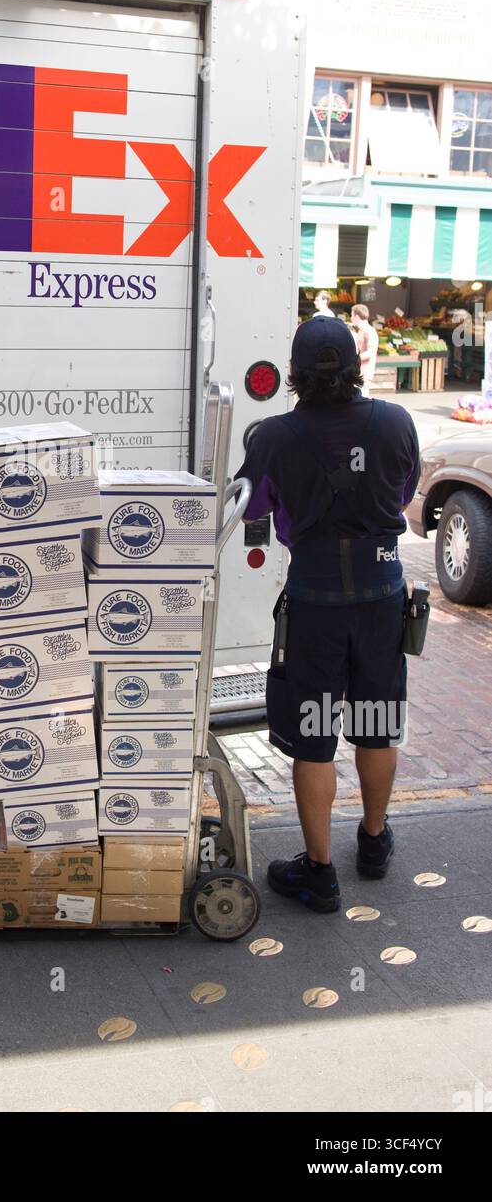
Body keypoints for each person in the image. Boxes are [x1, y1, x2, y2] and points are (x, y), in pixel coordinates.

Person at [235, 317, 420, 913]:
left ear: (294, 375)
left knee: (314, 738)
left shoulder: (273, 438)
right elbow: (403, 494)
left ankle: (320, 873)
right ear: (356, 364)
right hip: (382, 596)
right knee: (377, 720)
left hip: (316, 601)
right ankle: (372, 841)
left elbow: (249, 508)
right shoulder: (396, 423)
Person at [351, 303, 379, 396]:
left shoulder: (369, 331)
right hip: (359, 372)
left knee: (361, 398)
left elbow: (370, 352)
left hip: (365, 372)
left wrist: (354, 359)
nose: (351, 318)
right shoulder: (360, 330)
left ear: (356, 316)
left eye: (351, 315)